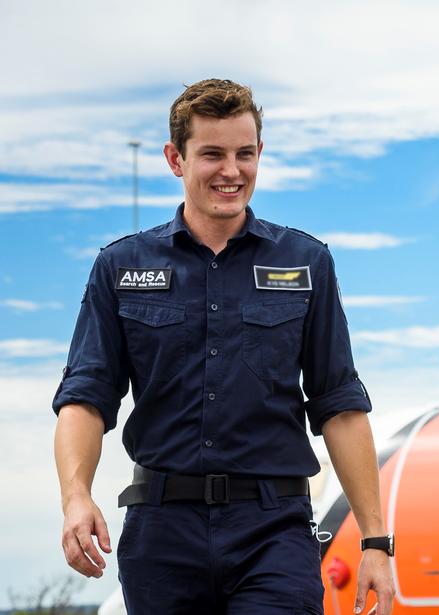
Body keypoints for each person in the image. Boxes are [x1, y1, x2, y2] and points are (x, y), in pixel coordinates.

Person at [52, 79, 395, 615]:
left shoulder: (307, 264)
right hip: (161, 533)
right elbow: (85, 398)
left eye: (245, 154)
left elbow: (339, 405)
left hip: (273, 531)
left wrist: (375, 540)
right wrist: (76, 497)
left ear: (260, 154)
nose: (231, 171)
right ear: (175, 158)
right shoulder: (121, 269)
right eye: (212, 154)